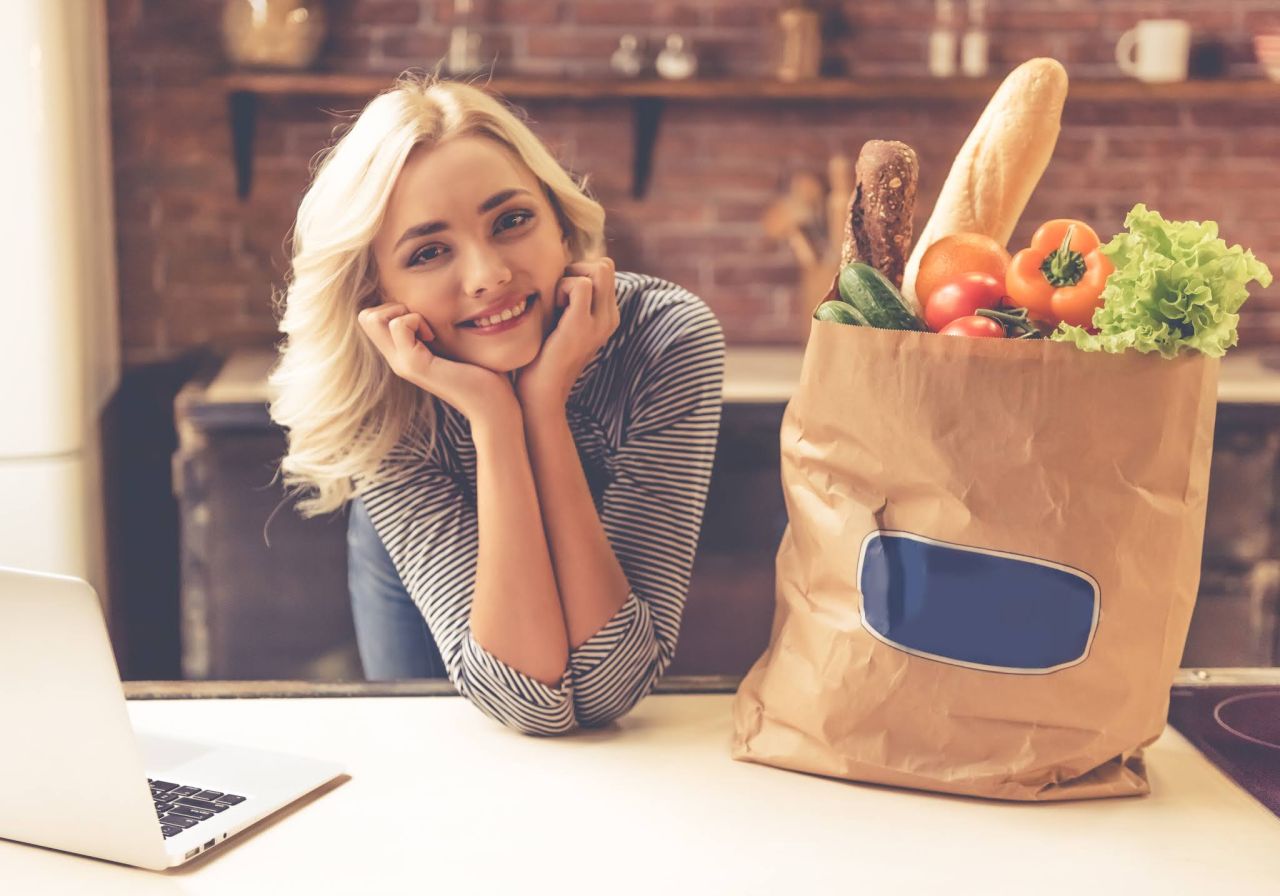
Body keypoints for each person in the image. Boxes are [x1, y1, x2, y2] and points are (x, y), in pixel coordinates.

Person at [268, 76, 725, 735]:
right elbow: (527, 700)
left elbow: (610, 688)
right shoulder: (383, 393)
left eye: (511, 221)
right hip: (423, 615)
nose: (487, 275)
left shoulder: (665, 340)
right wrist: (494, 417)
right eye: (428, 252)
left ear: (563, 228)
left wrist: (541, 408)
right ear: (379, 293)